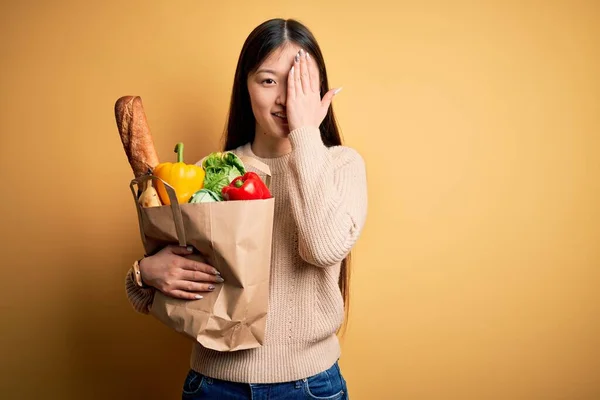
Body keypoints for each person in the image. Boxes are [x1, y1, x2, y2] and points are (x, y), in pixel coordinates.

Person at [125, 18, 368, 399]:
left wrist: (305, 134)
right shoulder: (209, 173)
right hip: (214, 386)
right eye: (268, 80)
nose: (286, 98)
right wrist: (144, 274)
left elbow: (322, 247)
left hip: (311, 387)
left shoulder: (342, 165)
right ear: (246, 86)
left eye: (299, 82)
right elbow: (154, 290)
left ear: (320, 90)